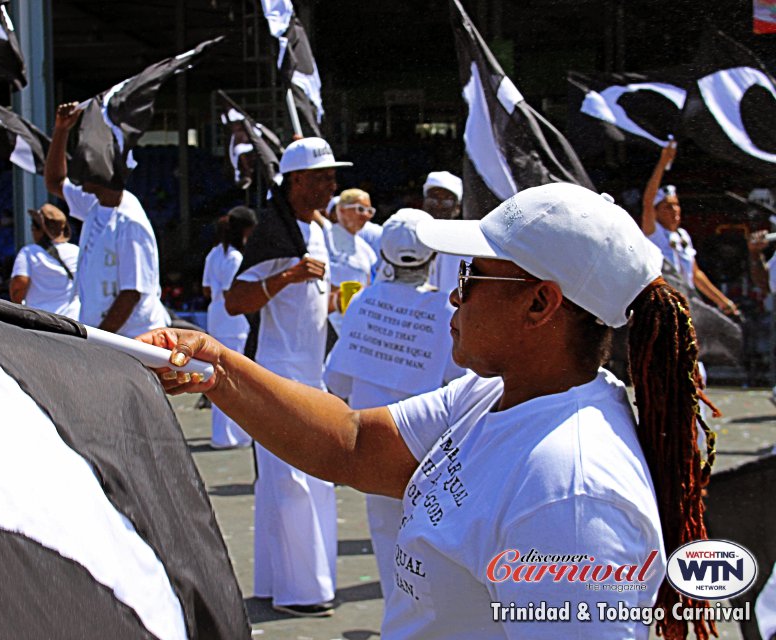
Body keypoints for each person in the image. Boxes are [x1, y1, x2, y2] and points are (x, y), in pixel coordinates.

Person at [142, 183, 717, 640]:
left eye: (471, 275)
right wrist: (215, 366)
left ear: (541, 303)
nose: (453, 293)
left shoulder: (571, 491)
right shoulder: (493, 395)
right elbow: (352, 442)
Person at [222, 136, 351, 618]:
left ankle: (289, 584)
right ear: (296, 181)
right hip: (278, 372)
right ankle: (303, 592)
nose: (331, 184)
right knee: (294, 480)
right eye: (323, 177)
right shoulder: (274, 233)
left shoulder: (316, 228)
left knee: (303, 479)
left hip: (310, 372)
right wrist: (288, 276)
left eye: (332, 176)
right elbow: (236, 301)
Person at [324, 208, 463, 601]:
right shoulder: (447, 310)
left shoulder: (364, 301)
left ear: (383, 256)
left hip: (372, 445)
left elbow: (336, 380)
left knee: (388, 544)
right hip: (429, 446)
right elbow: (460, 378)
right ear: (433, 257)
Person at [44, 102, 168, 337]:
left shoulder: (130, 222)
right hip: (108, 340)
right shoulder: (95, 203)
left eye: (87, 164)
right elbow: (54, 181)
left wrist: (99, 340)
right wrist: (62, 129)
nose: (79, 171)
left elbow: (131, 293)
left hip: (134, 342)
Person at [642, 141, 739, 318]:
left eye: (676, 205)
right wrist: (663, 162)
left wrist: (723, 301)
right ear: (656, 212)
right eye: (668, 207)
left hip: (684, 302)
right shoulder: (653, 233)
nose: (675, 211)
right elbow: (648, 201)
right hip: (662, 304)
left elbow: (695, 275)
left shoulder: (682, 235)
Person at [202, 206, 258, 449]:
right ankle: (232, 435)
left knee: (218, 374)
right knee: (234, 377)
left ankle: (222, 434)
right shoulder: (235, 258)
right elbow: (232, 292)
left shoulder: (214, 254)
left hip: (216, 317)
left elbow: (207, 289)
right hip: (233, 321)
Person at [9, 205, 81, 319]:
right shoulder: (77, 252)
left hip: (41, 322)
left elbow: (19, 286)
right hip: (73, 321)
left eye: (33, 227)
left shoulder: (29, 252)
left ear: (40, 230)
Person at [327, 189, 378, 335]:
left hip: (353, 322)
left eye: (370, 211)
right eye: (360, 209)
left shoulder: (366, 250)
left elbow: (368, 283)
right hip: (327, 319)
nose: (366, 216)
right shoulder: (325, 237)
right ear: (341, 210)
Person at [423, 171, 467, 296]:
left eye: (446, 201)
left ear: (457, 208)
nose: (438, 206)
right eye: (433, 199)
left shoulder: (464, 246)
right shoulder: (409, 235)